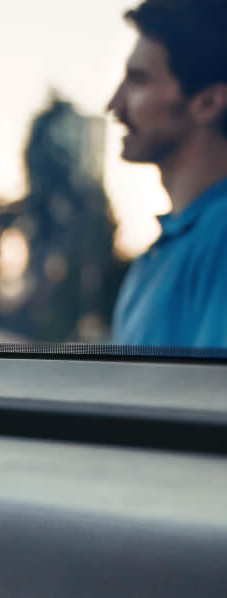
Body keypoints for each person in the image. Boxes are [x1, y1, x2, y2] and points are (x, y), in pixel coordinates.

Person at [108, 1, 227, 349]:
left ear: (208, 102)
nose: (114, 105)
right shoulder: (161, 255)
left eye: (138, 80)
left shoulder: (220, 241)